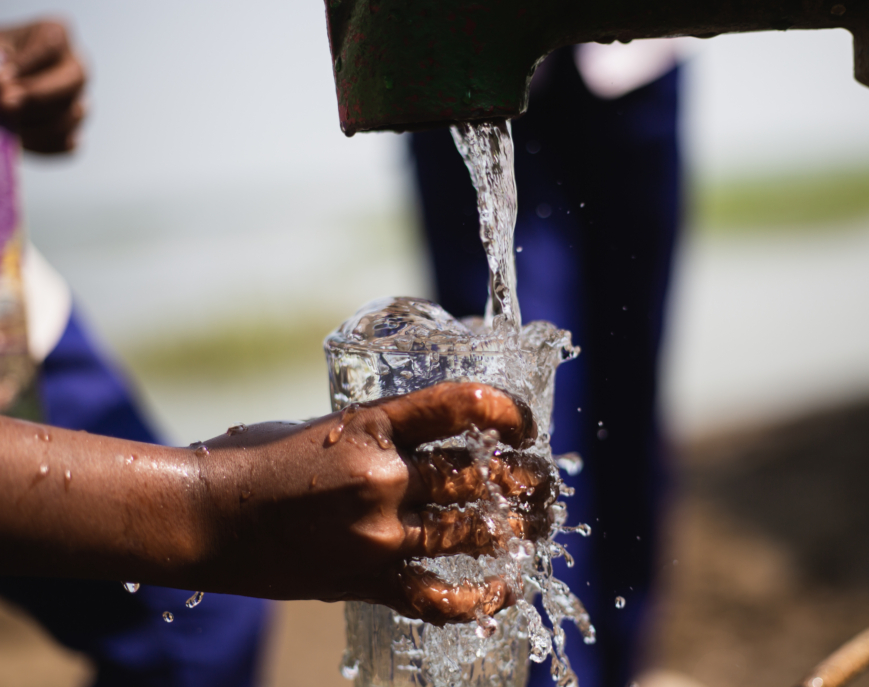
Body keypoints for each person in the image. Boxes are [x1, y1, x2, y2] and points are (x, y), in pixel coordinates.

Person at [0, 18, 550, 686]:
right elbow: (206, 519)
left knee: (203, 625)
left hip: (15, 301)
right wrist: (212, 510)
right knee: (195, 616)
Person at [411, 40, 687, 687]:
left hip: (635, 59)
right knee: (508, 420)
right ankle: (550, 675)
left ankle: (623, 661)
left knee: (630, 400)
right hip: (461, 68)